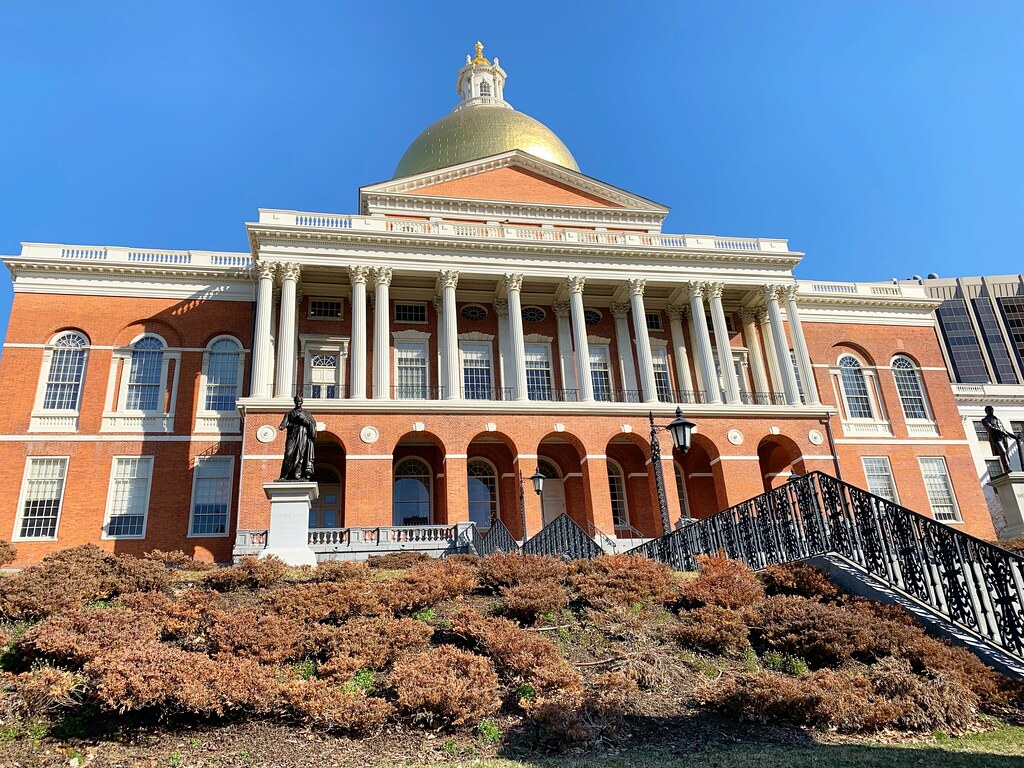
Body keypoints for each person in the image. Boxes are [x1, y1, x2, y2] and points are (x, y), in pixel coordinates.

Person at [278, 395, 316, 481]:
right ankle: (284, 475)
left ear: (302, 402)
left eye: (300, 401)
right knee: (288, 454)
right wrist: (282, 426)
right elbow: (284, 422)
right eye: (296, 401)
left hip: (302, 435)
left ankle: (297, 475)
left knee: (301, 455)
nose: (298, 403)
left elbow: (313, 424)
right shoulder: (289, 413)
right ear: (294, 402)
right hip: (292, 435)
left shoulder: (306, 413)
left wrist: (304, 420)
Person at [982, 405, 1022, 474]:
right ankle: (1007, 468)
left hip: (1003, 438)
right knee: (1002, 452)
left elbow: (1004, 430)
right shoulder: (984, 420)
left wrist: (1014, 437)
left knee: (1006, 453)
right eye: (989, 410)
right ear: (986, 411)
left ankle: (1008, 467)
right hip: (995, 438)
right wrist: (1001, 431)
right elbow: (990, 428)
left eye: (991, 409)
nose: (991, 411)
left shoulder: (997, 419)